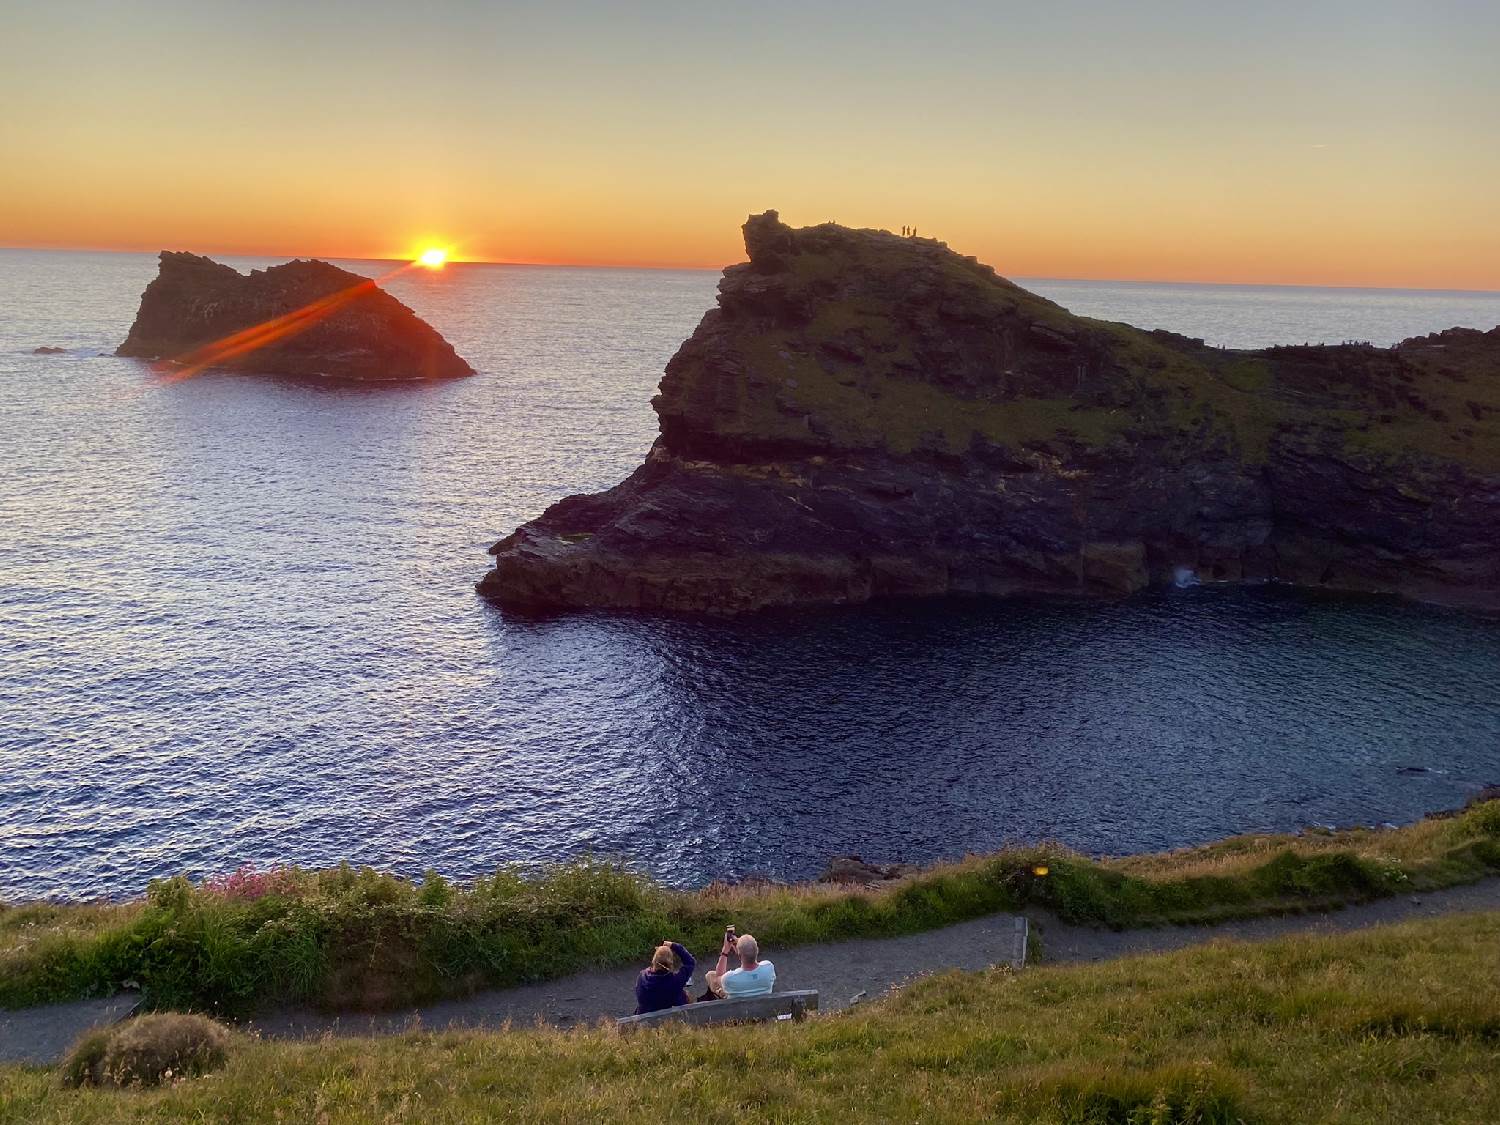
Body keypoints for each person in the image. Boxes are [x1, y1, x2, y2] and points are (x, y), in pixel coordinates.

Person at [705, 929, 776, 999]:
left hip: (736, 1009)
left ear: (739, 956)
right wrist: (743, 946)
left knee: (710, 975)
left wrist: (725, 951)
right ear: (757, 951)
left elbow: (719, 976)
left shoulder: (729, 978)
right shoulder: (768, 968)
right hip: (763, 1007)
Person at [634, 940, 696, 1015]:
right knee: (685, 995)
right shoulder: (676, 981)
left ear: (654, 960)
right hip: (665, 1018)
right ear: (670, 963)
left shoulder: (642, 977)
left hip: (643, 1017)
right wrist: (674, 945)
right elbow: (690, 962)